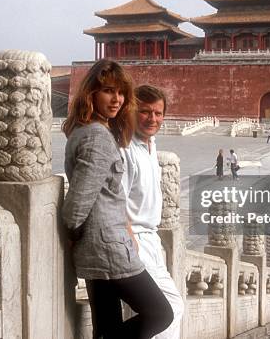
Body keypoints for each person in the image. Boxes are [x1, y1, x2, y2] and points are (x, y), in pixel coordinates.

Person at [61, 60, 173, 339]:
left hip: (96, 245)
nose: (117, 99)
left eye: (121, 92)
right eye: (109, 91)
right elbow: (77, 205)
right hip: (109, 246)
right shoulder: (98, 136)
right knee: (161, 313)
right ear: (91, 93)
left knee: (107, 328)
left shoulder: (83, 130)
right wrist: (75, 233)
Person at [121, 85, 184, 339]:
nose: (152, 118)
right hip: (134, 240)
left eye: (158, 113)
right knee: (169, 308)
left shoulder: (151, 145)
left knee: (156, 312)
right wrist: (129, 239)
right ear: (132, 112)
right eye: (145, 112)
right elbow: (116, 199)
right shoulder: (126, 150)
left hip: (152, 240)